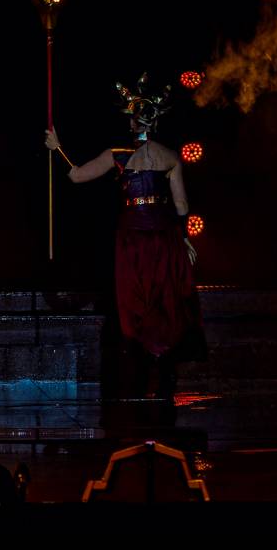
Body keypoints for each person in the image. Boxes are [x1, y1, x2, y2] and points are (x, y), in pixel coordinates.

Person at [45, 76, 204, 400]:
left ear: (135, 121)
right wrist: (184, 238)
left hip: (137, 239)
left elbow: (75, 175)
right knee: (159, 300)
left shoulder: (120, 154)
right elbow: (182, 204)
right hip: (159, 237)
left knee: (140, 301)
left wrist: (57, 148)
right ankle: (155, 368)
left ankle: (151, 368)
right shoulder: (167, 156)